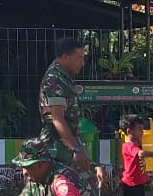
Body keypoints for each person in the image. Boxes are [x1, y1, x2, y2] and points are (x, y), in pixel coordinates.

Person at [37, 36, 108, 185]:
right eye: (79, 58)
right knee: (73, 192)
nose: (82, 62)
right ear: (65, 57)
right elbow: (57, 119)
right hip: (56, 147)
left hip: (67, 144)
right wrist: (76, 148)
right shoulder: (55, 79)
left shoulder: (64, 77)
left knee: (85, 190)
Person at [119, 114, 149, 196]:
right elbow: (140, 154)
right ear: (129, 131)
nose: (142, 131)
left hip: (138, 182)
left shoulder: (136, 143)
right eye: (139, 128)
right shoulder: (129, 145)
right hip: (131, 183)